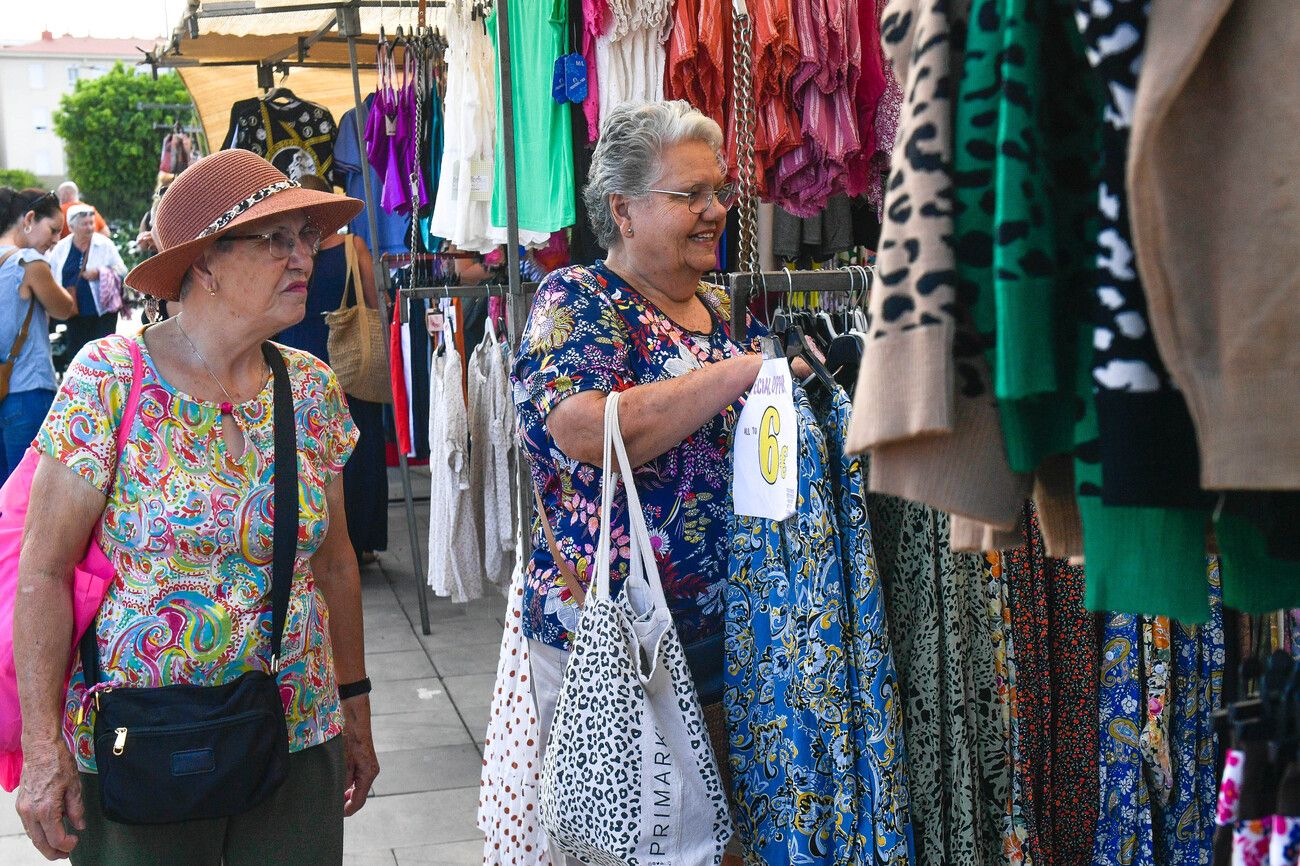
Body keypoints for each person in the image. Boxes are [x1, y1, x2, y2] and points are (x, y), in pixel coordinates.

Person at [13, 149, 380, 864]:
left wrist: (354, 702)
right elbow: (44, 570)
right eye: (278, 239)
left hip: (294, 727)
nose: (304, 255)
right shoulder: (109, 379)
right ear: (204, 262)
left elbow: (335, 562)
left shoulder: (309, 387)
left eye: (306, 235)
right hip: (141, 740)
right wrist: (40, 749)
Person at [511, 100, 758, 854]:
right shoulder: (578, 300)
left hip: (725, 641)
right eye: (691, 196)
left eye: (717, 192)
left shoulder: (714, 307)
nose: (715, 210)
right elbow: (579, 427)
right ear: (623, 210)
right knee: (629, 839)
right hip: (618, 650)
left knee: (705, 839)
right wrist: (739, 374)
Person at [274, 173, 388, 563]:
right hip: (349, 359)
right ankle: (361, 540)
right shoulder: (353, 248)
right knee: (359, 445)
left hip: (293, 348)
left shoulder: (282, 254)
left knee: (304, 448)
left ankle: (311, 537)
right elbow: (375, 303)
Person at [0, 188, 77, 484]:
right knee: (27, 491)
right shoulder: (29, 261)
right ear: (29, 219)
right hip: (27, 390)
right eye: (54, 230)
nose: (56, 240)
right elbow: (64, 308)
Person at [47, 205, 127, 371]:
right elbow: (52, 275)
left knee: (104, 356)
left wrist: (100, 272)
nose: (90, 227)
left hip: (103, 312)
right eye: (85, 224)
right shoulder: (61, 248)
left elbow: (122, 270)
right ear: (72, 227)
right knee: (77, 356)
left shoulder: (104, 244)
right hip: (73, 312)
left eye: (91, 223)